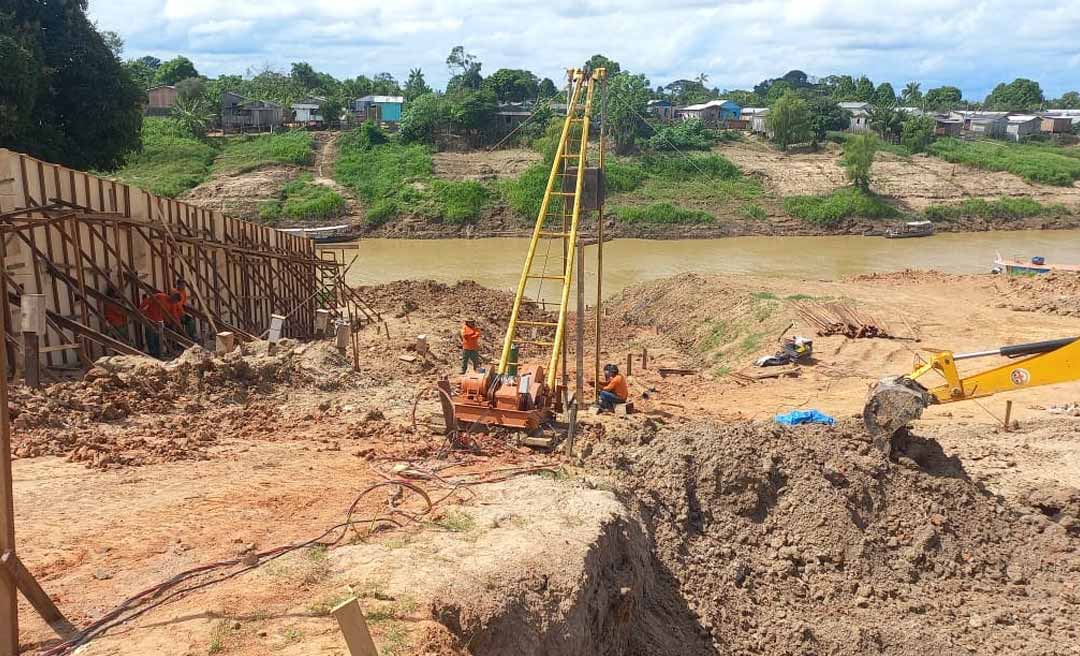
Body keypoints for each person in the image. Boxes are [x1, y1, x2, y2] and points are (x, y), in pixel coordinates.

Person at [140, 290, 180, 358]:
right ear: (173, 297)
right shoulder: (160, 296)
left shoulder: (172, 304)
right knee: (150, 337)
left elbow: (174, 315)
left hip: (160, 322)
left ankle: (158, 354)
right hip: (150, 319)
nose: (174, 302)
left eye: (175, 302)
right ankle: (153, 353)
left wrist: (177, 324)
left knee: (158, 339)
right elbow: (148, 301)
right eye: (174, 300)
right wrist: (140, 309)